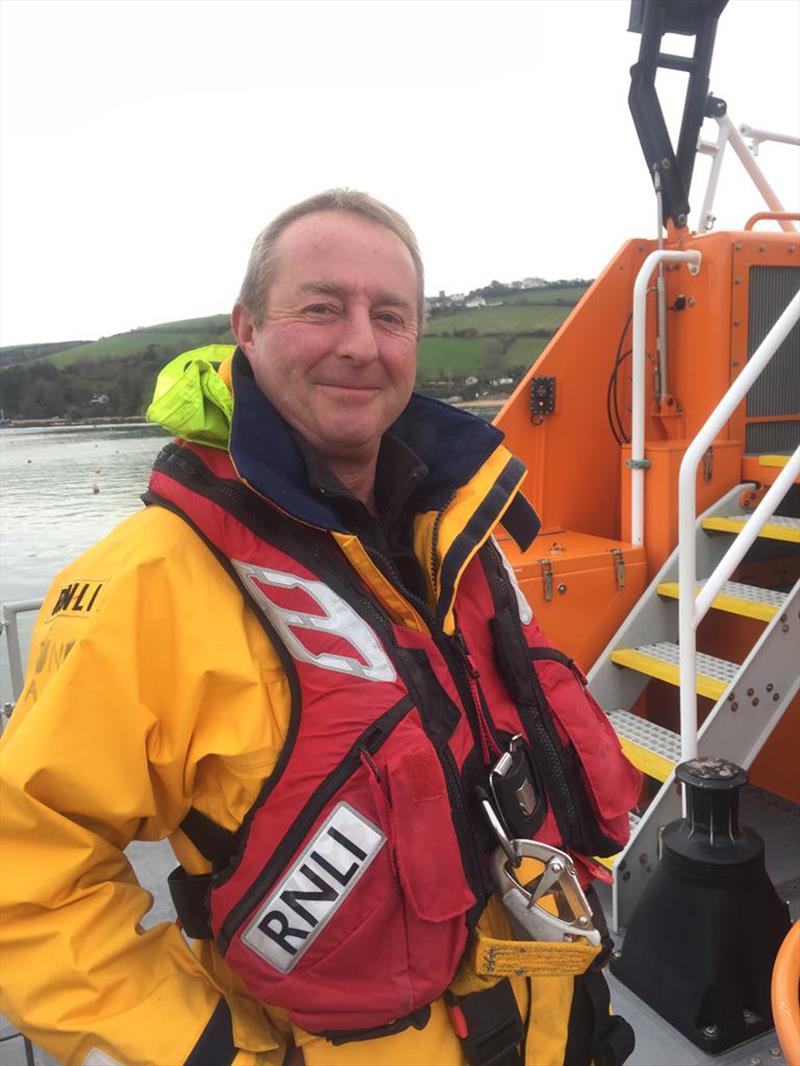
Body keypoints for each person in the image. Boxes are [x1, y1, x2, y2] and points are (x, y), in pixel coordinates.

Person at [0, 190, 640, 1066]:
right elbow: (28, 882)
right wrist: (206, 1053)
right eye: (321, 307)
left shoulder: (464, 539)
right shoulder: (145, 584)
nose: (360, 344)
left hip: (558, 1023)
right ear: (246, 329)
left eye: (391, 315)